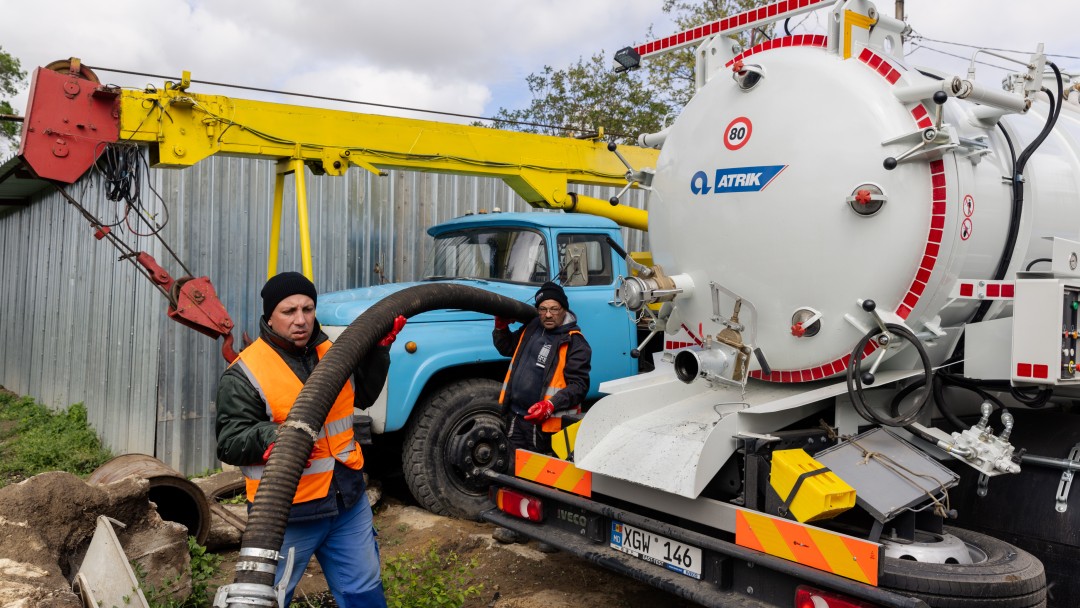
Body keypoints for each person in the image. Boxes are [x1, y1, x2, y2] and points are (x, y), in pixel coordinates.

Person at [215, 271, 405, 608]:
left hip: (347, 500)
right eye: (289, 311)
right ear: (269, 315)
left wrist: (378, 351)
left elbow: (362, 395)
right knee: (264, 598)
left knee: (363, 592)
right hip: (287, 513)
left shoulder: (333, 350)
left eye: (307, 309)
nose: (300, 320)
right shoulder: (247, 372)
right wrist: (272, 437)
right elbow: (230, 440)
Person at [491, 281, 591, 547]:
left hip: (549, 424)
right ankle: (517, 527)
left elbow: (579, 387)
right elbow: (508, 348)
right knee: (516, 472)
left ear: (564, 310)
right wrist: (500, 327)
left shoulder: (576, 343)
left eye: (554, 309)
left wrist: (550, 405)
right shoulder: (532, 327)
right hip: (518, 415)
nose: (548, 315)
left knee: (547, 476)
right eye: (543, 309)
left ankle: (549, 533)